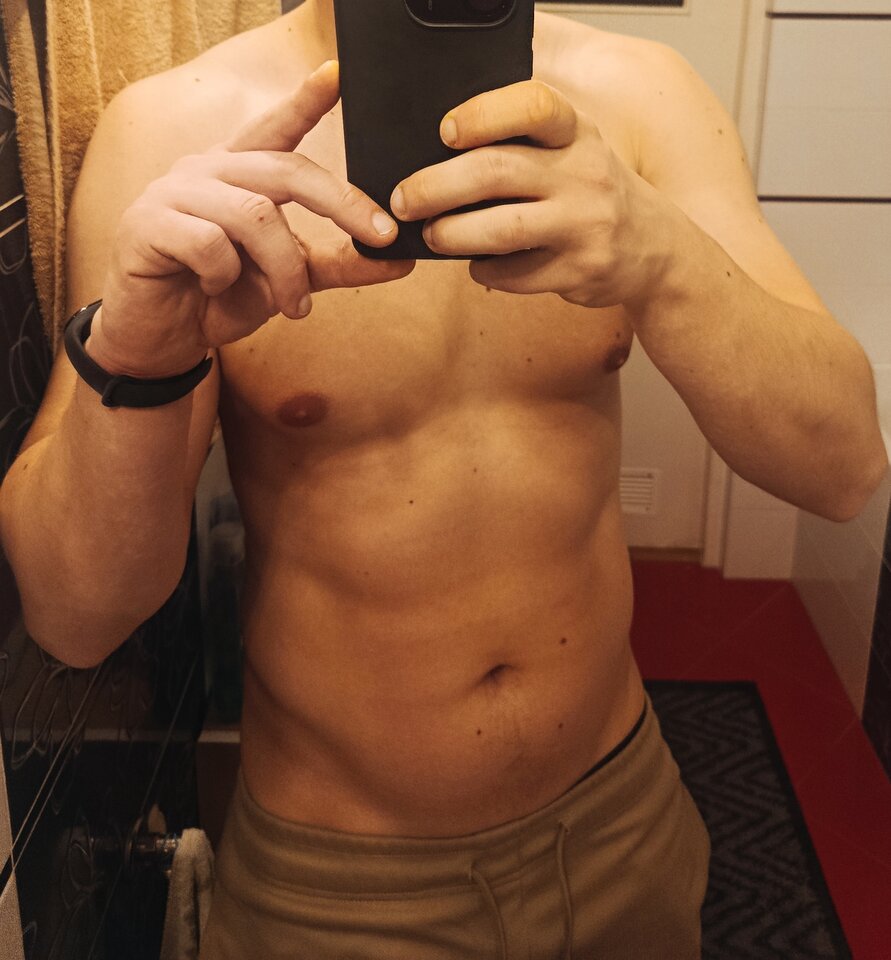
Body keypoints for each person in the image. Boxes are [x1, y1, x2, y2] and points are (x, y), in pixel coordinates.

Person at [1, 2, 885, 957]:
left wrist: (661, 259)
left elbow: (841, 471)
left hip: (620, 824)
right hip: (334, 885)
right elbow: (77, 616)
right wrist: (138, 357)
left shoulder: (640, 93)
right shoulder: (175, 128)